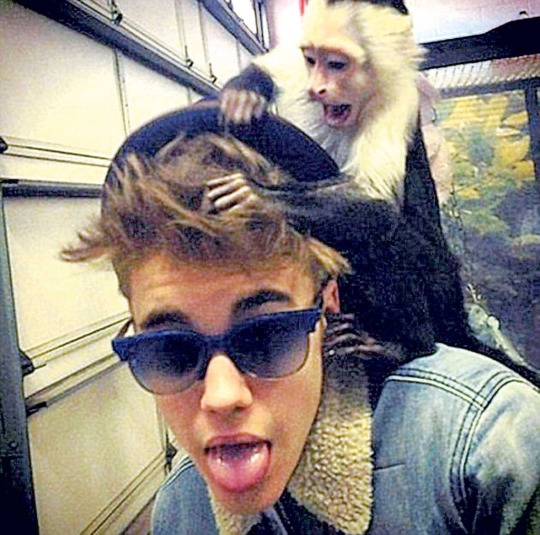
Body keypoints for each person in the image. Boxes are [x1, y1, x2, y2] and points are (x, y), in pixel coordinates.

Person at [64, 103, 540, 534]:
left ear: (329, 306)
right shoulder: (182, 509)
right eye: (169, 350)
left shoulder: (487, 445)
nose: (223, 398)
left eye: (268, 337)